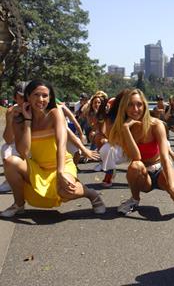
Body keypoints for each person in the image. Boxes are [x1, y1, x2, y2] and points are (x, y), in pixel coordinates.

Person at [0, 79, 106, 218]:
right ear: (28, 97)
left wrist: (61, 171)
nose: (41, 99)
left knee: (67, 191)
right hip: (38, 167)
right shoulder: (19, 118)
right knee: (10, 161)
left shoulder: (55, 113)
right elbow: (23, 152)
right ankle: (18, 205)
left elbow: (62, 142)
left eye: (45, 95)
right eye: (36, 95)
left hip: (62, 164)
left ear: (50, 97)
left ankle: (91, 194)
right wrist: (27, 121)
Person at [108, 88, 174, 215]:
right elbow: (136, 157)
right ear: (124, 108)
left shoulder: (155, 124)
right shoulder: (122, 128)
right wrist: (126, 129)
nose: (135, 109)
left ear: (144, 106)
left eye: (139, 104)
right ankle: (134, 199)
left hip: (160, 168)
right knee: (135, 166)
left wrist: (171, 186)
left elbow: (165, 157)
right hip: (143, 176)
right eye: (130, 105)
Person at [0, 81, 28, 193]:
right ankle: (10, 180)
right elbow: (8, 139)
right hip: (17, 145)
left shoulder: (37, 109)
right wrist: (10, 118)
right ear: (15, 98)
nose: (25, 101)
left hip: (34, 144)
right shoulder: (11, 111)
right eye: (21, 97)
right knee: (6, 148)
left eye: (27, 97)